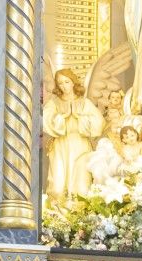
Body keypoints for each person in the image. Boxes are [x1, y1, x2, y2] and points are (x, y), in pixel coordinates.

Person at [43, 68, 104, 199]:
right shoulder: (54, 103)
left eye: (67, 82)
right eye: (60, 83)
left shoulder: (84, 103)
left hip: (80, 144)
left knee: (80, 182)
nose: (64, 86)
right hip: (60, 144)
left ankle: (78, 212)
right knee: (58, 183)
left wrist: (80, 118)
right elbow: (46, 120)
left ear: (73, 83)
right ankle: (55, 213)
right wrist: (61, 117)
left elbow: (99, 122)